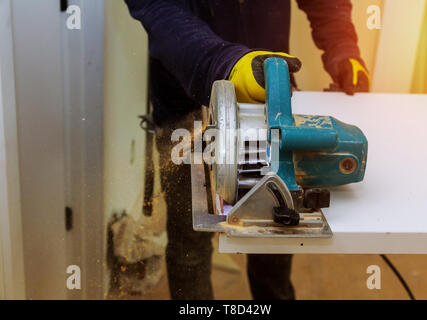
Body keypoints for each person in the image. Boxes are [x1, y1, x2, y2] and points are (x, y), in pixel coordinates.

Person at [125, 0, 370, 300]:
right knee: (190, 250)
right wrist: (224, 64)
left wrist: (342, 46)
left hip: (267, 97)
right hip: (186, 108)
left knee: (275, 236)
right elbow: (160, 9)